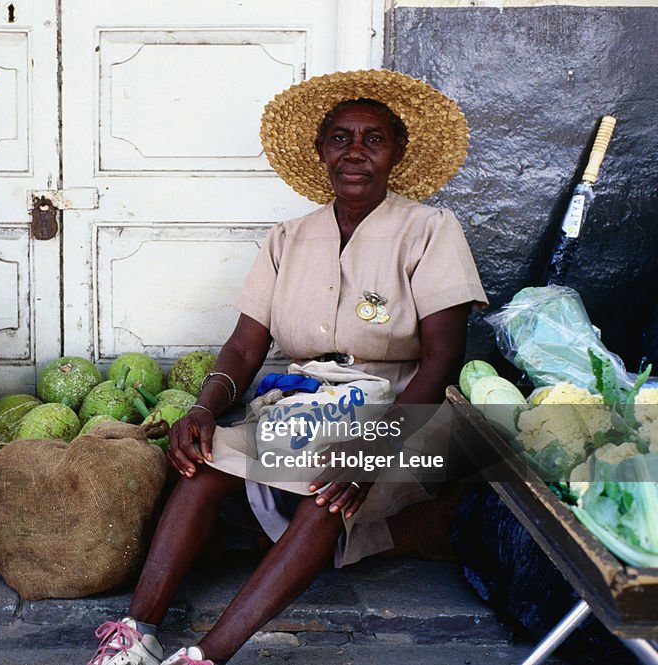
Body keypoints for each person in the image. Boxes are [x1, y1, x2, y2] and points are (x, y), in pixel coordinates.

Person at [88, 69, 488, 665]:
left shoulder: (430, 231)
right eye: (340, 138)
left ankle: (207, 656)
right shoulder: (288, 237)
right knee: (203, 462)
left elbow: (442, 360)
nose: (355, 152)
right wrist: (202, 408)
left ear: (397, 151)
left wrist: (372, 454)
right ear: (321, 150)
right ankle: (136, 633)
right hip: (300, 405)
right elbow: (247, 347)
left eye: (373, 138)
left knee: (329, 493)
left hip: (398, 409)